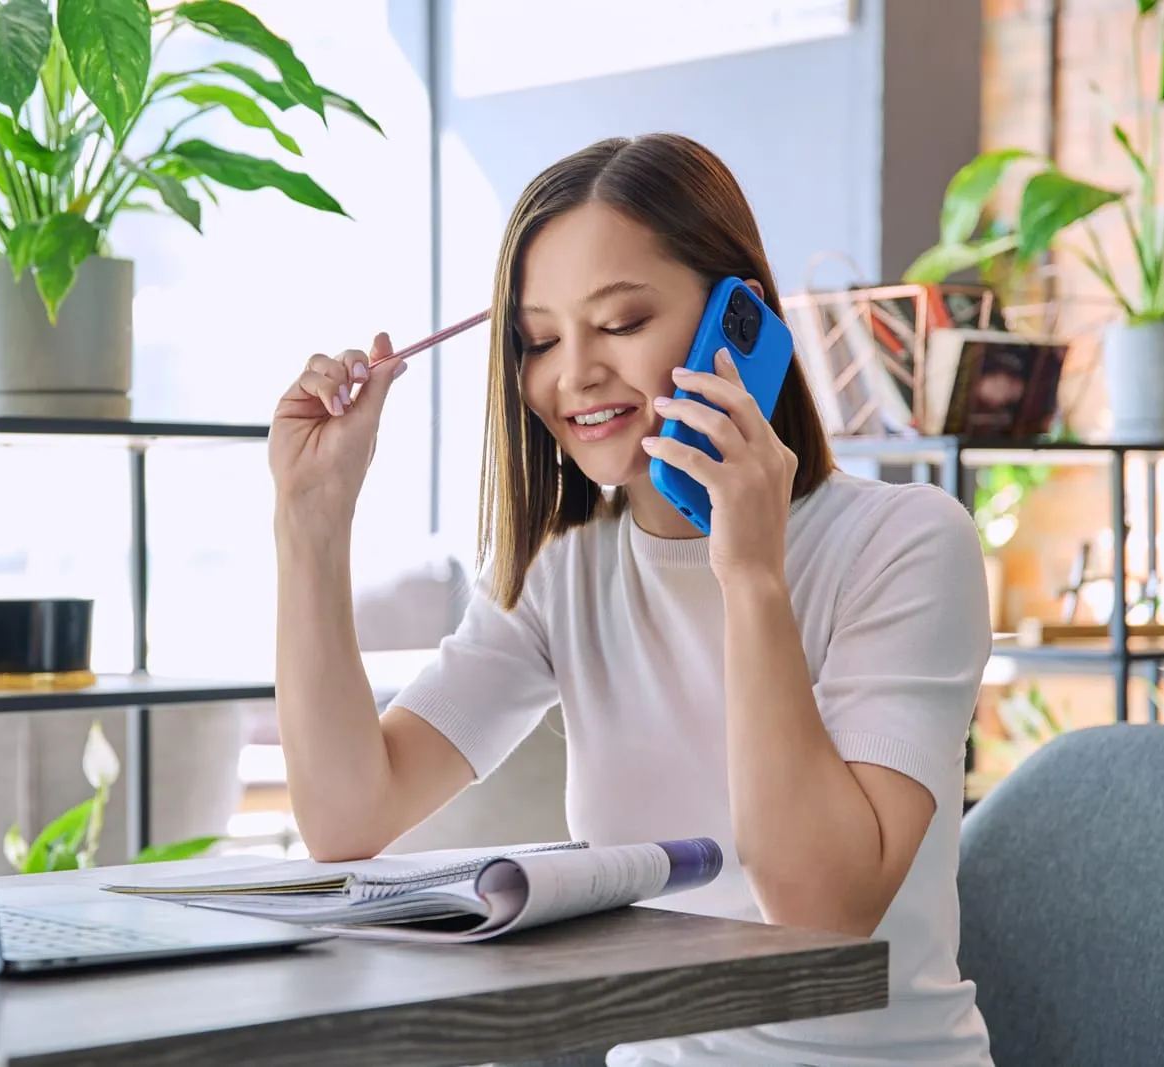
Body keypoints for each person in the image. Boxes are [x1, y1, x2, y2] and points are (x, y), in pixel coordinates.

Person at [267, 132, 994, 1067]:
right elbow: (346, 816)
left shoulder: (907, 541)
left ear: (738, 319)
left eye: (619, 323)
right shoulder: (562, 568)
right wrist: (311, 520)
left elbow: (821, 910)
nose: (574, 373)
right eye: (539, 340)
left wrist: (752, 576)